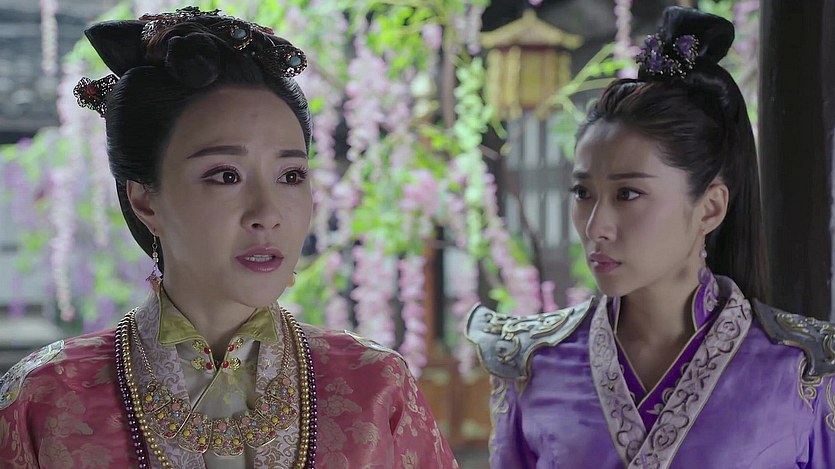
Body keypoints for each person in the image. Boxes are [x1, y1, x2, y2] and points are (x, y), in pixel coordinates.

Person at [0, 6, 458, 468]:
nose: (267, 214)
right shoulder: (47, 397)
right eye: (225, 175)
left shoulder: (375, 386)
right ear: (145, 200)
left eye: (291, 175)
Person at [467, 7, 835, 468]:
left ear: (710, 207)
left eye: (628, 194)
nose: (595, 226)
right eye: (583, 193)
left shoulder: (804, 369)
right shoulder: (532, 363)